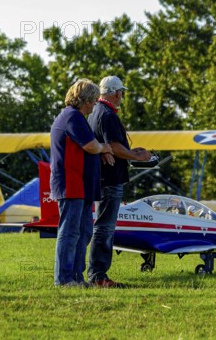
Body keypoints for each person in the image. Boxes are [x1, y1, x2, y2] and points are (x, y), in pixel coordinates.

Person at [87, 76, 152, 288]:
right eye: (121, 92)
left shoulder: (95, 111)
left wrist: (128, 152)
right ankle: (98, 276)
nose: (121, 96)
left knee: (102, 226)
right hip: (111, 179)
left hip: (101, 177)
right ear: (116, 93)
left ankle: (96, 274)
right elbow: (114, 146)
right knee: (105, 228)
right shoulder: (108, 115)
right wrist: (136, 156)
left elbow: (105, 144)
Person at [50, 79, 114, 287]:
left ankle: (76, 277)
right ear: (85, 100)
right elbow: (91, 146)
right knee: (70, 232)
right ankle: (64, 278)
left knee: (84, 231)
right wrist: (105, 148)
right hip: (72, 184)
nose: (95, 105)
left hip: (82, 186)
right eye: (94, 101)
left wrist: (100, 149)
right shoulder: (73, 117)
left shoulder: (76, 118)